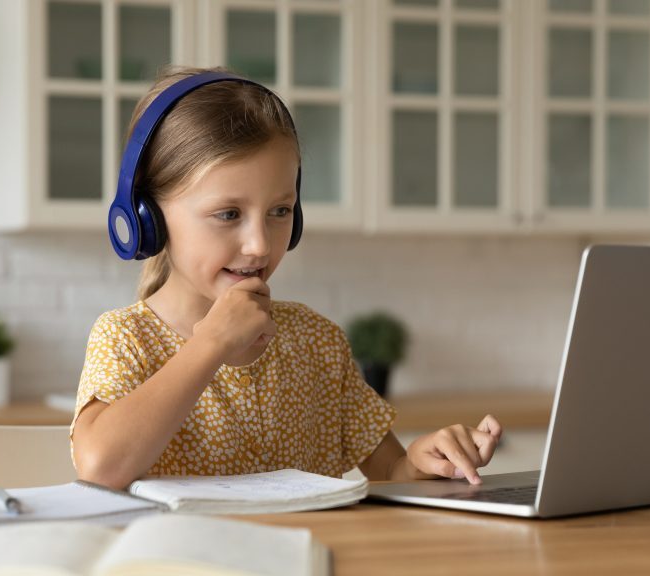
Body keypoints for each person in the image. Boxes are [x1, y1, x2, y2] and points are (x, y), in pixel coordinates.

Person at [71, 66, 502, 490]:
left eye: (280, 211)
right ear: (150, 218)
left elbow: (391, 474)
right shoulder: (126, 339)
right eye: (228, 214)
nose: (259, 244)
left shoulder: (316, 342)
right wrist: (211, 343)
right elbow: (101, 467)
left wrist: (426, 461)